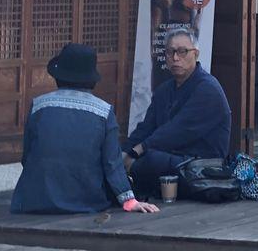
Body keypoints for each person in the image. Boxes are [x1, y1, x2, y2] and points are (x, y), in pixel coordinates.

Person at [11, 43, 159, 215]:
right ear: (91, 79)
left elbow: (27, 157)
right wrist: (129, 201)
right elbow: (112, 164)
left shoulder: (38, 105)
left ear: (58, 76)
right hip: (84, 201)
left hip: (34, 200)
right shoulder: (104, 112)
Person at [123, 26, 231, 196]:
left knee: (150, 160)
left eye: (182, 52)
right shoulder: (164, 90)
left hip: (202, 165)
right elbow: (146, 127)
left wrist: (139, 149)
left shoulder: (208, 89)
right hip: (172, 157)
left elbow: (177, 131)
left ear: (196, 54)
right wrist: (125, 151)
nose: (175, 58)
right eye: (170, 52)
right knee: (118, 159)